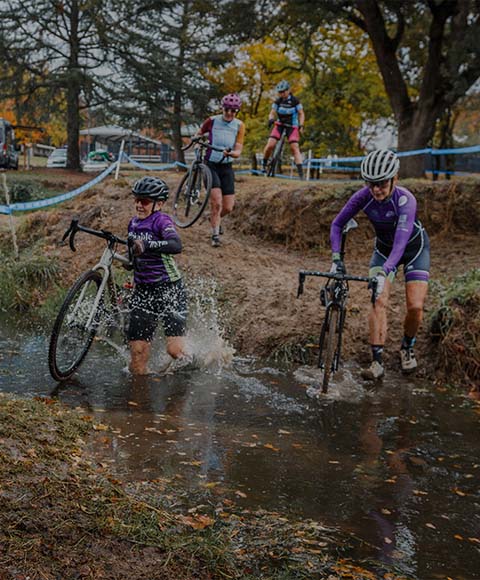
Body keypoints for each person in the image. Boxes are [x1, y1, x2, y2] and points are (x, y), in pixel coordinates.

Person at [329, 149, 430, 380]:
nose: (376, 189)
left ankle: (407, 347)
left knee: (415, 306)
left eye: (382, 183)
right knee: (378, 297)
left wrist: (385, 273)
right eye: (371, 183)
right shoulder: (363, 197)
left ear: (394, 178)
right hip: (384, 251)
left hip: (414, 250)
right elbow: (337, 225)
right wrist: (336, 260)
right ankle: (377, 362)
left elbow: (401, 242)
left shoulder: (406, 200)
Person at [126, 176, 188, 375]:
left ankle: (193, 364)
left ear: (158, 204)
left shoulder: (162, 220)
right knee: (137, 355)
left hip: (169, 289)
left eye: (144, 201)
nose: (139, 205)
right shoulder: (133, 224)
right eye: (136, 199)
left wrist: (148, 245)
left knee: (174, 350)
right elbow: (134, 260)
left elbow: (176, 245)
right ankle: (139, 402)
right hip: (143, 291)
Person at [196, 93, 245, 248]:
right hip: (211, 165)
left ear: (237, 111)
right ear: (222, 108)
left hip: (227, 166)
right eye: (227, 110)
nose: (229, 113)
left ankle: (215, 218)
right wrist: (198, 144)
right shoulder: (212, 121)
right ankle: (215, 235)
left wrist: (232, 153)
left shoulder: (239, 125)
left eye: (233, 111)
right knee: (216, 202)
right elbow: (198, 135)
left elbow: (238, 150)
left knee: (228, 207)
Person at [262, 80, 305, 179]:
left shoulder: (295, 101)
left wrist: (301, 125)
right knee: (270, 145)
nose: (282, 94)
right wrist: (271, 119)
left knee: (295, 147)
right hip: (280, 124)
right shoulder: (278, 101)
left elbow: (301, 113)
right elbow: (272, 112)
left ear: (288, 90)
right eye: (280, 92)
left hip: (292, 126)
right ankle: (264, 163)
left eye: (283, 92)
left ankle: (301, 174)